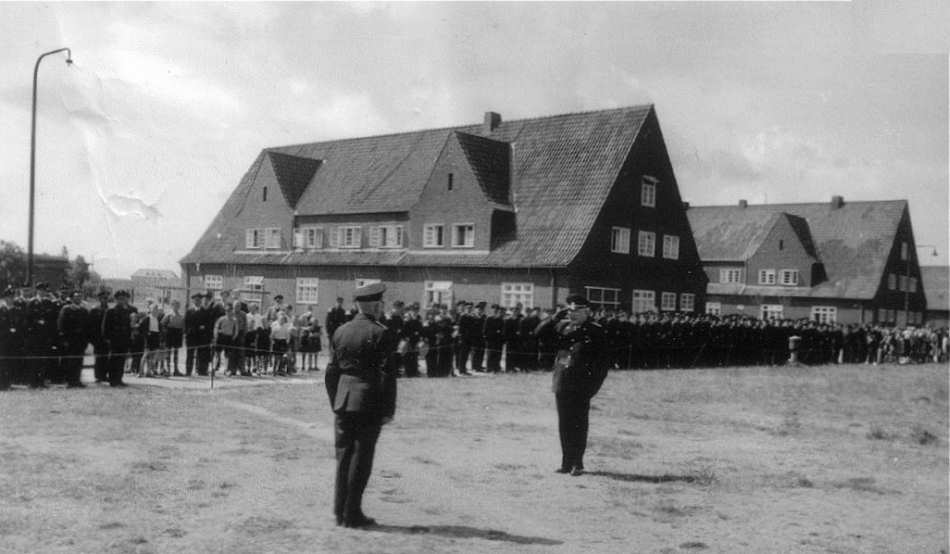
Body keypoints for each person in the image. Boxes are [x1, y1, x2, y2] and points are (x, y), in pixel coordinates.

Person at [324, 282, 398, 528]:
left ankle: (339, 512)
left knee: (344, 456)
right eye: (381, 304)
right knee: (361, 458)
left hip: (343, 399)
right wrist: (388, 410)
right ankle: (352, 514)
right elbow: (388, 375)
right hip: (369, 402)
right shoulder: (381, 333)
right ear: (376, 305)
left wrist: (336, 400)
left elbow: (331, 372)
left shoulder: (340, 331)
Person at [537, 294, 608, 476]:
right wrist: (554, 318)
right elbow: (538, 333)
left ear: (587, 311)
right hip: (562, 381)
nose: (573, 314)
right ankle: (566, 462)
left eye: (577, 311)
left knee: (578, 424)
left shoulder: (596, 330)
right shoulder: (563, 326)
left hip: (581, 386)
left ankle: (578, 462)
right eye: (570, 310)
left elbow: (602, 364)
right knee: (564, 424)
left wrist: (592, 389)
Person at [102, 290, 135, 387]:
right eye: (120, 299)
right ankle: (112, 380)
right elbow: (105, 326)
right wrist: (107, 338)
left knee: (122, 360)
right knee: (113, 360)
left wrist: (129, 339)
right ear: (116, 300)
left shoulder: (127, 311)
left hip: (124, 339)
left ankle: (119, 379)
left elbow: (128, 327)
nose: (122, 301)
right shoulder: (111, 311)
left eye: (124, 299)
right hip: (114, 340)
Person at [57, 290, 88, 388]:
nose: (78, 298)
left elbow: (87, 326)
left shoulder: (83, 310)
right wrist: (64, 339)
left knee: (79, 361)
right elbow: (61, 325)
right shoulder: (66, 309)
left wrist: (86, 340)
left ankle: (77, 380)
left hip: (80, 340)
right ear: (71, 298)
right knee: (69, 361)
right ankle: (70, 381)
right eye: (76, 297)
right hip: (70, 339)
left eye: (80, 296)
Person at [162, 300, 185, 376]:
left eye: (178, 305)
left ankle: (176, 370)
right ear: (172, 306)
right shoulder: (168, 314)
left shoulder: (181, 315)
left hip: (177, 334)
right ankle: (168, 370)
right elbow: (162, 324)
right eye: (175, 305)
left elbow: (183, 325)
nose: (176, 307)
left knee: (176, 353)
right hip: (170, 334)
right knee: (168, 353)